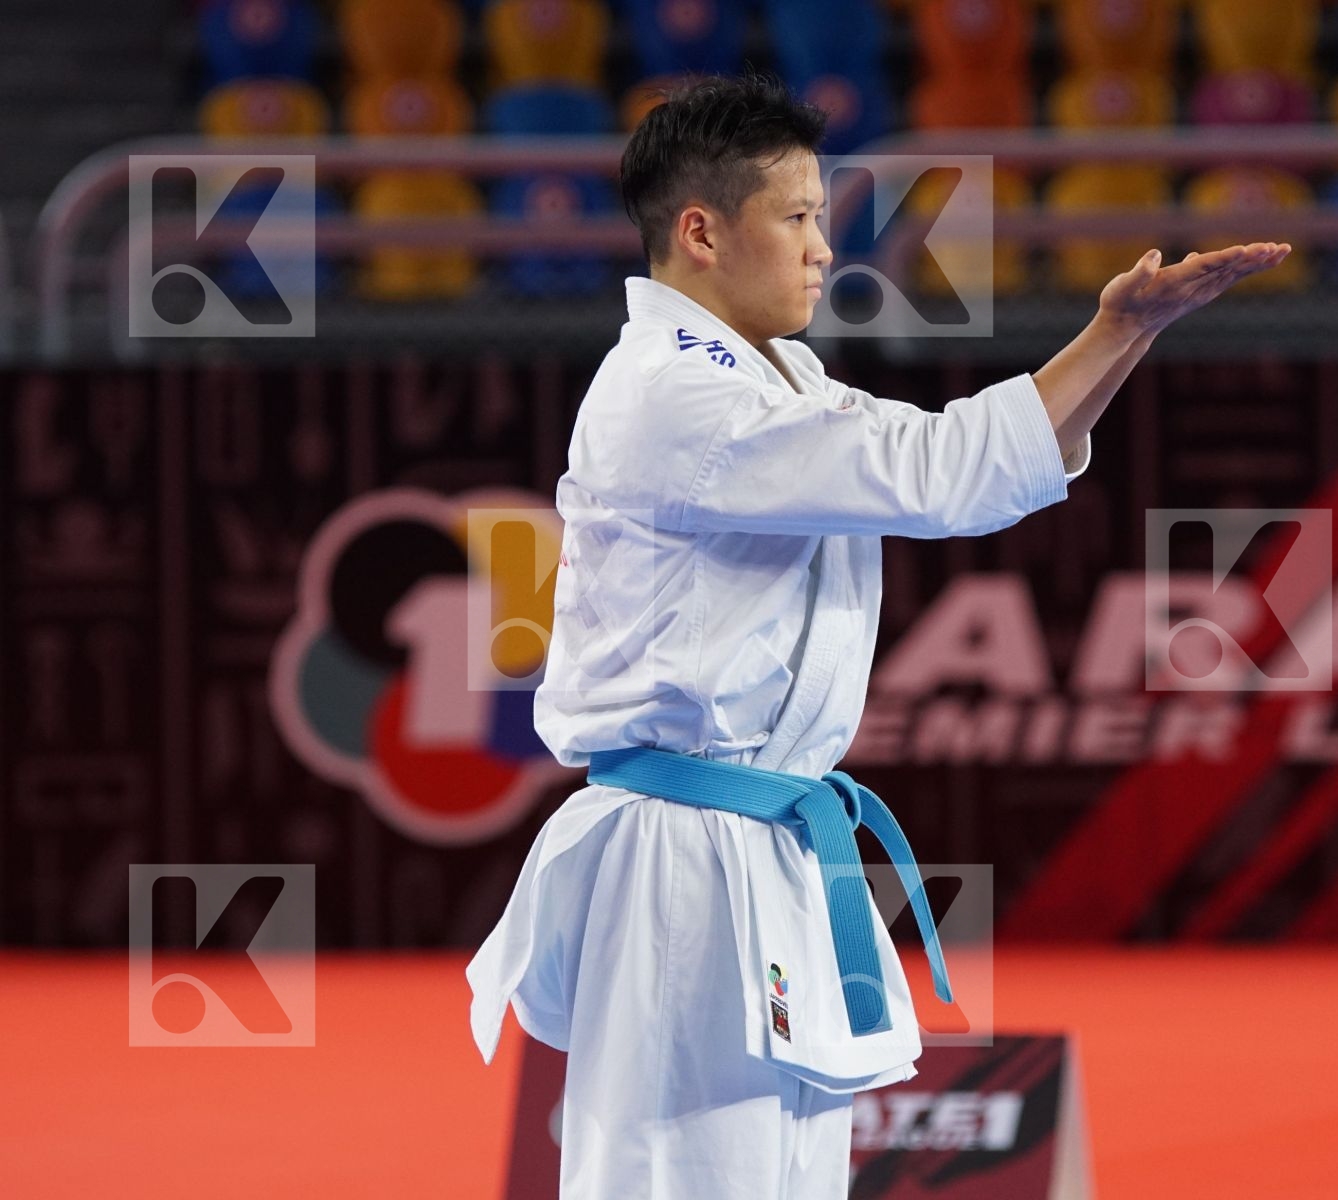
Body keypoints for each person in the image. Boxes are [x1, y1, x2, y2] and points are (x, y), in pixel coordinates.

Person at [465, 71, 1289, 1199]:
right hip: (684, 863)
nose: (820, 250)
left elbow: (961, 463)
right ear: (701, 231)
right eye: (797, 218)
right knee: (682, 1178)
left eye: (823, 220)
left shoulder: (779, 374)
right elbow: (939, 474)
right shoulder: (676, 394)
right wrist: (1113, 332)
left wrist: (1119, 338)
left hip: (764, 839)